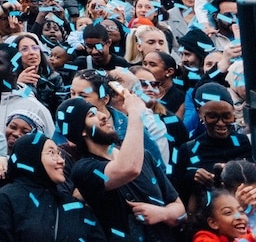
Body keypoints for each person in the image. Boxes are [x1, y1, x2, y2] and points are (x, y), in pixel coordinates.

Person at [56, 96, 183, 242]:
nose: (103, 116)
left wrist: (163, 213)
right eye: (91, 115)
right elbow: (129, 168)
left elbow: (180, 209)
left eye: (98, 111)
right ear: (81, 131)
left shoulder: (144, 156)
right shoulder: (84, 170)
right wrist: (136, 113)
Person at [0, 132, 104, 242]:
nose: (61, 161)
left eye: (59, 154)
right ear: (31, 156)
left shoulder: (75, 206)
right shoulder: (5, 199)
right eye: (51, 152)